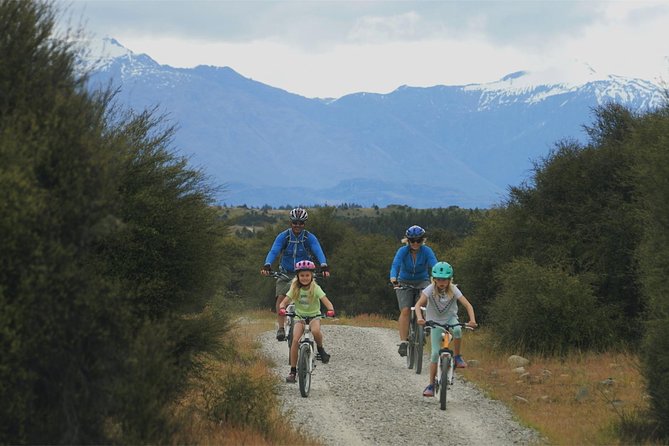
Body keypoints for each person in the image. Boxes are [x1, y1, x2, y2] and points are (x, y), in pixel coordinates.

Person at [261, 207, 330, 341]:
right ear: (290, 222)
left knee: (311, 296)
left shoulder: (309, 237)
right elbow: (274, 251)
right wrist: (267, 264)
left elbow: (318, 251)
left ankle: (310, 321)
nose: (297, 225)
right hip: (286, 273)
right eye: (295, 222)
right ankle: (281, 328)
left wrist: (324, 265)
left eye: (301, 223)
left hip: (304, 274)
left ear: (304, 224)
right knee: (281, 298)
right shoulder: (284, 236)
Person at [416, 261, 477, 397]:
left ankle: (457, 356)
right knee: (434, 353)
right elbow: (419, 304)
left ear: (450, 280)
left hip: (450, 320)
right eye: (439, 279)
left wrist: (472, 320)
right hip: (434, 322)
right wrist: (420, 318)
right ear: (434, 279)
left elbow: (468, 305)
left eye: (445, 279)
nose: (442, 282)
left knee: (457, 331)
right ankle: (431, 385)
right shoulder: (430, 289)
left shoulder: (454, 289)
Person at [278, 260, 335, 383]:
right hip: (300, 317)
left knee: (315, 331)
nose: (304, 278)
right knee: (295, 340)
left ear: (311, 276)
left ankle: (320, 349)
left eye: (307, 275)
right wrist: (282, 307)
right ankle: (293, 371)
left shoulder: (315, 288)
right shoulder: (294, 288)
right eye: (302, 275)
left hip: (314, 316)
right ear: (297, 276)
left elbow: (326, 301)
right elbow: (285, 301)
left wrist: (330, 309)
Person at [389, 225, 438, 357]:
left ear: (423, 240)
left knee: (422, 306)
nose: (415, 243)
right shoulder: (402, 251)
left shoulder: (427, 251)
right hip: (404, 282)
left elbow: (434, 265)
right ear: (408, 240)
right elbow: (395, 265)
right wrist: (393, 279)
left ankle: (423, 327)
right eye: (412, 241)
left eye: (419, 240)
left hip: (422, 281)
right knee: (405, 310)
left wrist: (438, 278)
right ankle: (404, 342)